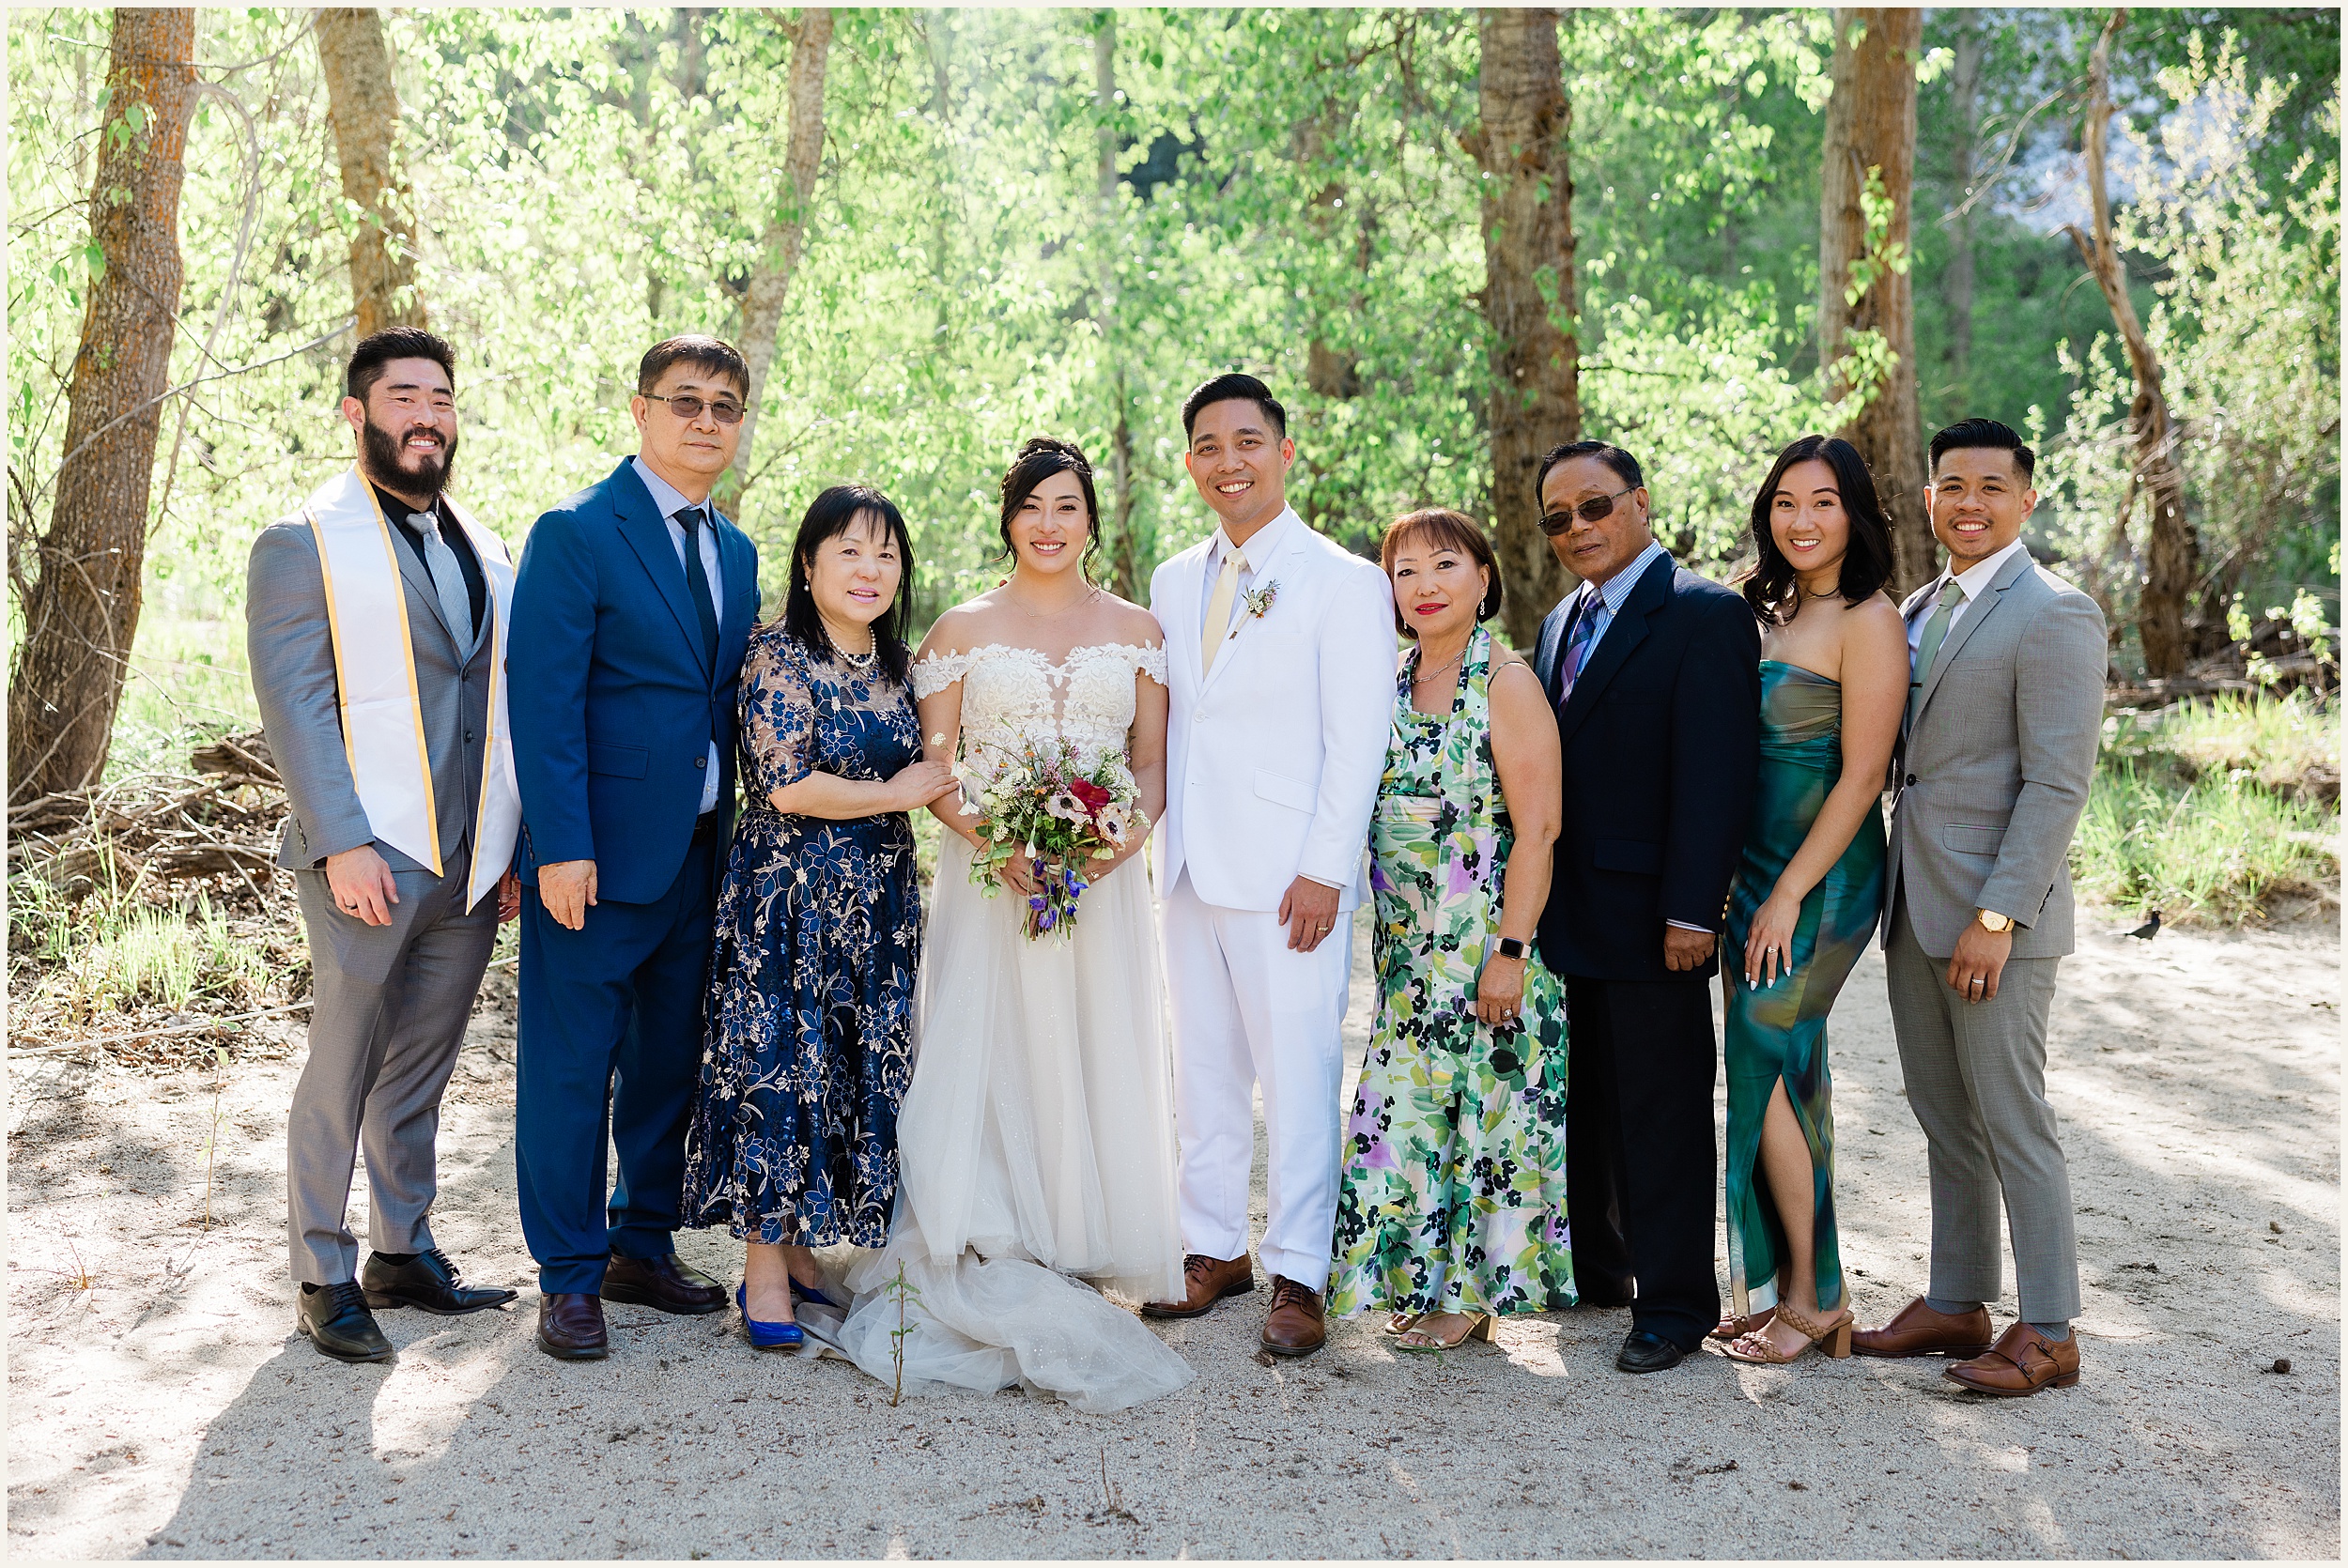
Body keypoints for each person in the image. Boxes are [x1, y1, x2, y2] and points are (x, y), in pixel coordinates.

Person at [813, 439, 1193, 1410]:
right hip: (995, 880)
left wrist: (1109, 849)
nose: (1049, 522)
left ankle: (1084, 1232)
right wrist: (1006, 845)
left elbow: (1148, 765)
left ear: (1090, 518)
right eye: (1032, 505)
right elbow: (937, 772)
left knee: (1091, 1042)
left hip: (1098, 886)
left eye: (1066, 505)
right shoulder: (958, 630)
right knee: (994, 1047)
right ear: (1007, 517)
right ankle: (993, 1221)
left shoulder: (1139, 629)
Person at [248, 326, 522, 1362]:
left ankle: (400, 1248)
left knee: (421, 1065)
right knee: (343, 1061)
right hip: (367, 850)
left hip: (464, 852)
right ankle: (323, 1268)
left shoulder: (482, 546)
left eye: (441, 397)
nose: (427, 415)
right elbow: (298, 705)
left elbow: (495, 696)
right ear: (358, 414)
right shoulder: (302, 541)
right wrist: (342, 840)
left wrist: (502, 837)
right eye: (404, 396)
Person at [507, 336, 762, 1360]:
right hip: (595, 861)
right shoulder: (576, 532)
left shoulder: (737, 551)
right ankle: (568, 1277)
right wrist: (559, 844)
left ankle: (640, 1242)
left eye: (726, 406)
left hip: (700, 854)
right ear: (641, 410)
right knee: (573, 1070)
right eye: (687, 401)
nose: (707, 420)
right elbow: (544, 700)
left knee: (668, 1064)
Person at [1140, 374, 1394, 1358]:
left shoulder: (1341, 578)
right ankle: (1212, 1247)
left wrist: (1325, 866)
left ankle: (1299, 1269)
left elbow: (1358, 734)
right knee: (1201, 1071)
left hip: (1291, 876)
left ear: (1285, 453)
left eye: (1247, 440)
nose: (1227, 460)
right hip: (1190, 864)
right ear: (1191, 462)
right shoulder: (1171, 577)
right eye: (1208, 444)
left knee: (1296, 1075)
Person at [1853, 419, 2105, 1398]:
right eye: (1950, 484)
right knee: (1941, 1112)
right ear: (1927, 498)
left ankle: (2048, 1326)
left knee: (2009, 1113)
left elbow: (2055, 784)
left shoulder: (2054, 611)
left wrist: (1998, 919)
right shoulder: (1917, 607)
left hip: (1995, 918)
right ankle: (1957, 1297)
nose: (1969, 501)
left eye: (1990, 487)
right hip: (1912, 903)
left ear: (2025, 500)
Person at [679, 485, 952, 1352]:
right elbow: (786, 781)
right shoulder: (775, 654)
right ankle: (762, 1263)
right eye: (849, 552)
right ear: (809, 565)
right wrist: (895, 794)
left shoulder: (902, 666)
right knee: (780, 1066)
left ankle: (801, 1249)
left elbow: (943, 767)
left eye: (885, 555)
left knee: (843, 1065)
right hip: (788, 896)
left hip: (878, 902)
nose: (870, 571)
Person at [1529, 440, 1760, 1375]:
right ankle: (1603, 1267)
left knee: (1661, 1106)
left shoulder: (1703, 613)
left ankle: (1673, 1303)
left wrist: (1692, 910)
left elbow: (1716, 773)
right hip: (1570, 905)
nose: (1576, 528)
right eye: (1556, 518)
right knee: (1588, 1098)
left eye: (1593, 506)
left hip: (1658, 910)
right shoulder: (1556, 621)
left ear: (1639, 502)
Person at [1327, 509, 1575, 1353]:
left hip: (1483, 953)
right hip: (1406, 956)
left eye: (1444, 565)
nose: (1425, 585)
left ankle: (1471, 1298)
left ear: (1482, 577)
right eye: (1405, 571)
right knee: (1409, 1123)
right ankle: (1425, 1280)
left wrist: (1510, 953)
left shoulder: (1505, 683)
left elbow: (1539, 830)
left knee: (1482, 1123)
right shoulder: (1389, 679)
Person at [1713, 436, 1905, 1366]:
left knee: (1761, 1050)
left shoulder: (1867, 618)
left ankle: (1811, 1295)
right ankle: (1798, 1282)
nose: (1801, 519)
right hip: (1750, 869)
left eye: (1822, 502)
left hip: (1821, 878)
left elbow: (1863, 772)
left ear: (1854, 512)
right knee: (1789, 1064)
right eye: (1785, 501)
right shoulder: (1764, 607)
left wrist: (1788, 891)